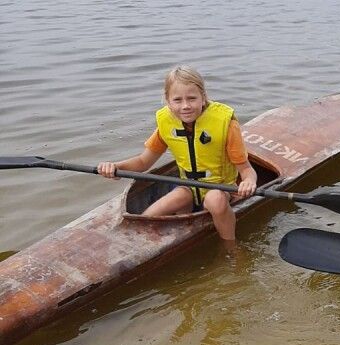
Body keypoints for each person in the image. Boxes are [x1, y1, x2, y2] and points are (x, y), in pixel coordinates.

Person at [98, 66, 257, 242]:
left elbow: (246, 169)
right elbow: (143, 162)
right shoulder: (166, 123)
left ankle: (231, 247)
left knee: (214, 200)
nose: (185, 106)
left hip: (221, 189)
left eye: (192, 98)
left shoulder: (225, 124)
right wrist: (115, 167)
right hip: (188, 188)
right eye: (177, 100)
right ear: (168, 101)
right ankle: (177, 229)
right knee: (148, 216)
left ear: (203, 97)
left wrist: (249, 182)